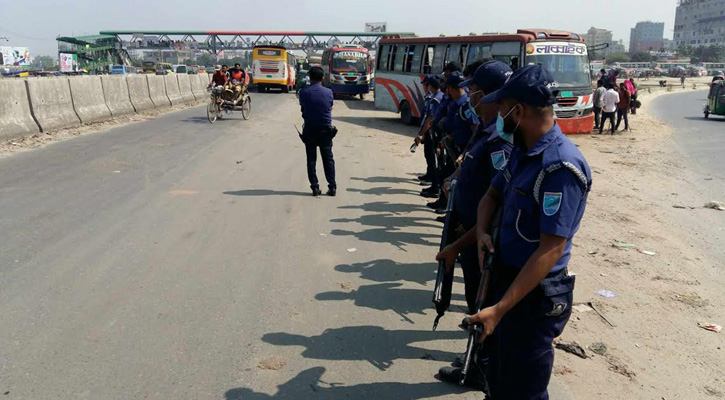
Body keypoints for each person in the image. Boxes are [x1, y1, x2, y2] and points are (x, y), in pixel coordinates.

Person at [471, 64, 592, 399]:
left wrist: (500, 308)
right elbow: (491, 196)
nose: (499, 116)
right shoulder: (523, 152)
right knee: (498, 379)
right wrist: (482, 234)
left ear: (518, 111)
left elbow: (551, 248)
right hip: (506, 280)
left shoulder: (560, 167)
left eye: (502, 108)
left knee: (524, 388)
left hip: (533, 295)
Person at [432, 61, 514, 389]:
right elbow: (469, 164)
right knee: (473, 296)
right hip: (467, 228)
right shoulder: (485, 129)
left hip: (479, 235)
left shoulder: (500, 139)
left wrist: (467, 240)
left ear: (490, 95)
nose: (471, 97)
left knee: (481, 300)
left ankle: (482, 366)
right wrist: (454, 178)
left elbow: (497, 197)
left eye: (475, 91)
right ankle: (477, 358)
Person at [298, 66, 336, 196]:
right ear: (323, 78)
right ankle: (332, 186)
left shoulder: (303, 92)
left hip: (310, 129)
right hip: (325, 130)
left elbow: (303, 107)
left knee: (311, 159)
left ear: (309, 77)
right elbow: (330, 107)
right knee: (328, 159)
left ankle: (315, 187)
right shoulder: (329, 92)